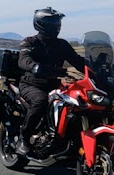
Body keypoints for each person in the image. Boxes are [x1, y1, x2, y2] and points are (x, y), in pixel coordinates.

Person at [14, 7, 86, 155]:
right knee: (40, 101)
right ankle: (24, 138)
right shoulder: (29, 42)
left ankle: (66, 140)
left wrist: (101, 66)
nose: (55, 26)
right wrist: (34, 66)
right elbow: (24, 60)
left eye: (56, 22)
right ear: (40, 24)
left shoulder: (62, 45)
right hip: (30, 84)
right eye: (51, 22)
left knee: (76, 103)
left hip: (54, 85)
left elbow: (78, 62)